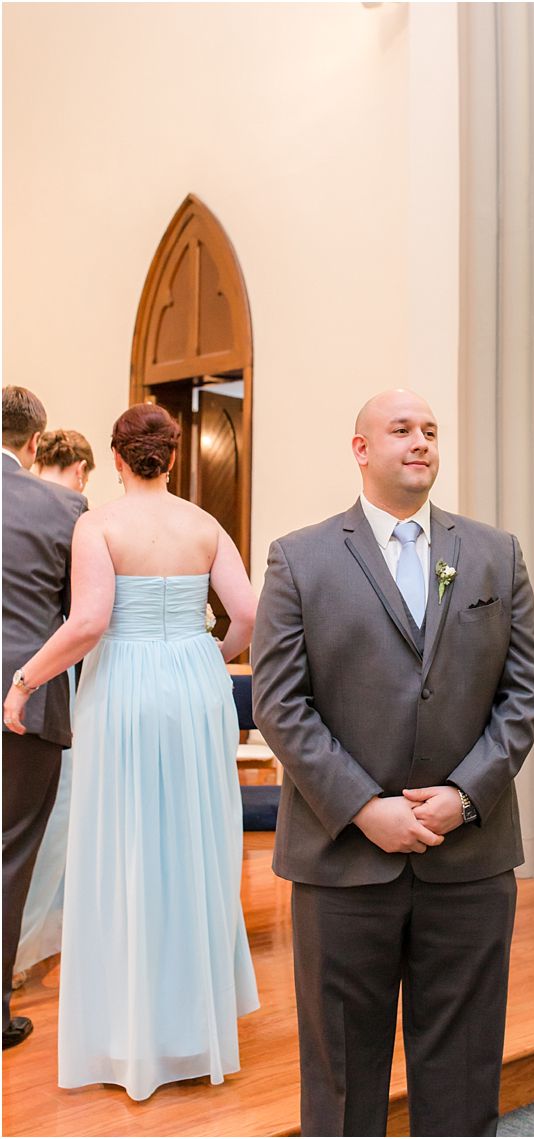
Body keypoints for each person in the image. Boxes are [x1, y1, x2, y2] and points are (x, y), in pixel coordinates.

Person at [252, 389, 534, 1136]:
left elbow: (527, 688)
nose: (421, 441)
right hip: (344, 860)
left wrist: (466, 793)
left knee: (463, 1065)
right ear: (360, 449)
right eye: (401, 429)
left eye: (430, 431)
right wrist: (362, 806)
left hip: (468, 857)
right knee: (343, 1074)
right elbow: (280, 704)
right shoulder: (300, 558)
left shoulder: (493, 552)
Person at [3, 402, 259, 1098]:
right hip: (195, 685)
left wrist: (25, 679)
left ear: (116, 458)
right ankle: (193, 1023)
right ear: (172, 459)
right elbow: (248, 616)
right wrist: (209, 654)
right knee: (192, 844)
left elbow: (88, 622)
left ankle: (134, 1028)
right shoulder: (204, 526)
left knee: (129, 846)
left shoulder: (100, 524)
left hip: (126, 684)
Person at [1, 387, 87, 1051]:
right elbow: (78, 616)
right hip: (24, 702)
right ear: (35, 443)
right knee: (10, 852)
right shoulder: (63, 507)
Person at [14, 428, 97, 976]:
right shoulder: (71, 510)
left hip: (26, 679)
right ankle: (15, 962)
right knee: (29, 834)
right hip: (38, 683)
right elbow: (81, 614)